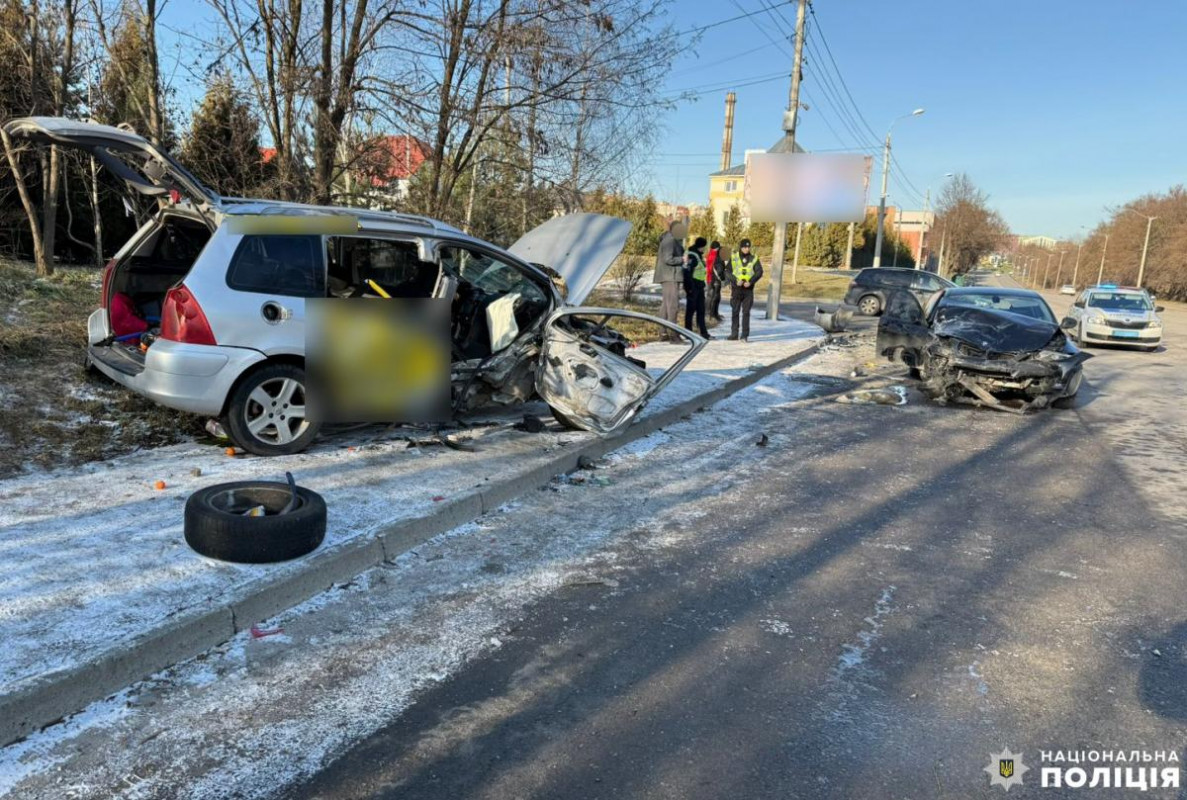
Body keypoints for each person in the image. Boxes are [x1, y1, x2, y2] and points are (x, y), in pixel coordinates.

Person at [653, 220, 687, 339]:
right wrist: (682, 259)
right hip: (670, 276)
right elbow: (668, 259)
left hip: (668, 276)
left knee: (666, 306)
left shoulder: (669, 239)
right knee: (673, 306)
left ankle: (663, 333)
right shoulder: (670, 240)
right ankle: (674, 334)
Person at [728, 238, 763, 341]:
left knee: (746, 312)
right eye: (744, 247)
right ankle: (734, 334)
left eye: (748, 247)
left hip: (748, 290)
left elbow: (759, 272)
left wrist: (751, 281)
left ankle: (744, 335)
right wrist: (735, 280)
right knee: (735, 311)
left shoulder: (754, 258)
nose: (747, 249)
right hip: (736, 289)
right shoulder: (734, 258)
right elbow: (727, 271)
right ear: (741, 247)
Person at [683, 237, 711, 338]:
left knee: (701, 310)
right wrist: (689, 288)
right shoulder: (692, 256)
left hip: (699, 286)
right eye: (703, 246)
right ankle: (688, 333)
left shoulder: (698, 255)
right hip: (693, 286)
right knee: (690, 311)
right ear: (700, 246)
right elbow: (687, 273)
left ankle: (703, 333)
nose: (704, 249)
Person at [705, 240, 724, 321]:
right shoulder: (717, 255)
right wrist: (722, 277)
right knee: (715, 297)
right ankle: (713, 314)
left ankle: (710, 313)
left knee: (711, 296)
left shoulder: (709, 254)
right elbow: (718, 268)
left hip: (709, 278)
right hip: (715, 278)